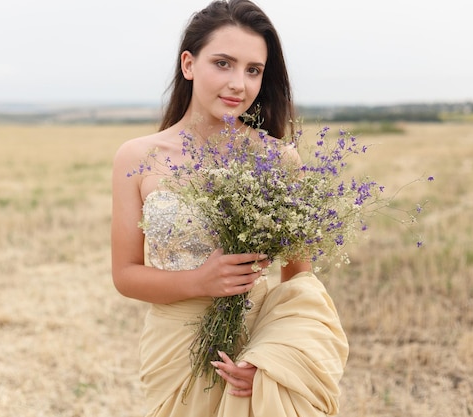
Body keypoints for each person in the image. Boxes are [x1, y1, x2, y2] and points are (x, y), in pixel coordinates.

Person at [111, 1, 348, 416]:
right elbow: (126, 275)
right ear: (189, 63)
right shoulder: (136, 157)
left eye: (253, 70)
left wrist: (272, 361)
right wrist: (200, 281)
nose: (239, 83)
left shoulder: (278, 160)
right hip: (174, 350)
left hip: (252, 346)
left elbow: (299, 280)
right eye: (223, 63)